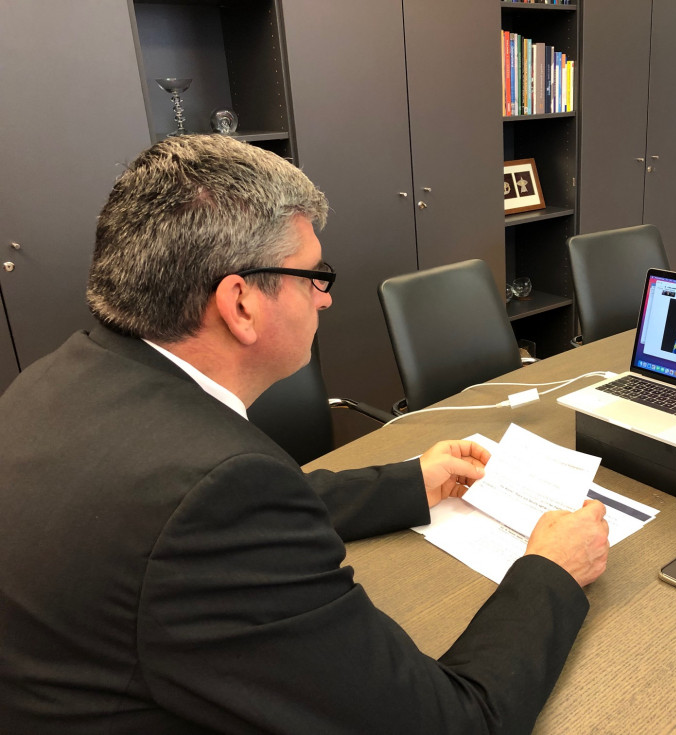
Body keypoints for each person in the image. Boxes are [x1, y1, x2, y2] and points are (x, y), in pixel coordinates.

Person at [0, 135, 610, 734]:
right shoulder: (216, 492)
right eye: (314, 276)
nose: (325, 300)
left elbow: (193, 514)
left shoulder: (61, 380)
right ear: (240, 303)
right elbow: (451, 722)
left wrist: (408, 483)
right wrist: (549, 571)